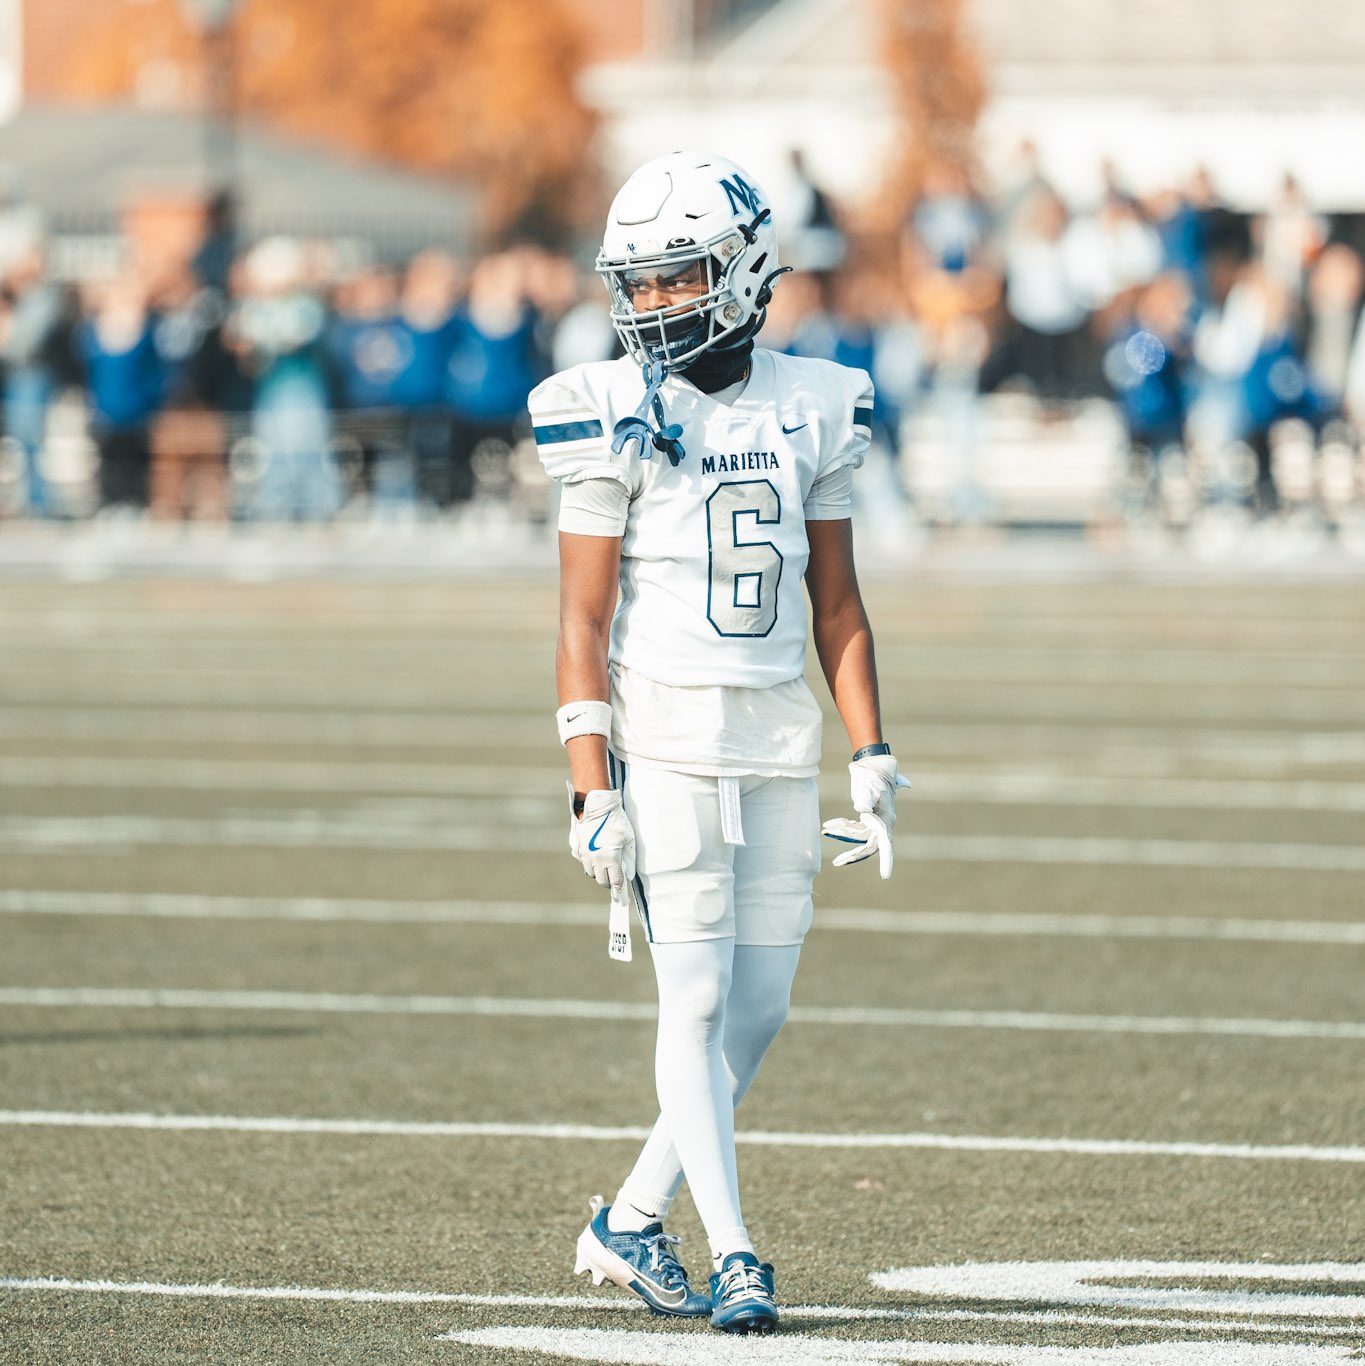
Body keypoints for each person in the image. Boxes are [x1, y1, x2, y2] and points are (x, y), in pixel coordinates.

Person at [529, 151, 911, 1336]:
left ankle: (631, 1220)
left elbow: (837, 605)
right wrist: (590, 784)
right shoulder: (608, 408)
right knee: (692, 999)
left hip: (777, 737)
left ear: (745, 268)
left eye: (675, 277)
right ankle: (737, 1251)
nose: (650, 306)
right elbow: (581, 621)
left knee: (761, 1008)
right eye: (634, 284)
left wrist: (873, 755)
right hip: (669, 734)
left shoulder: (819, 400)